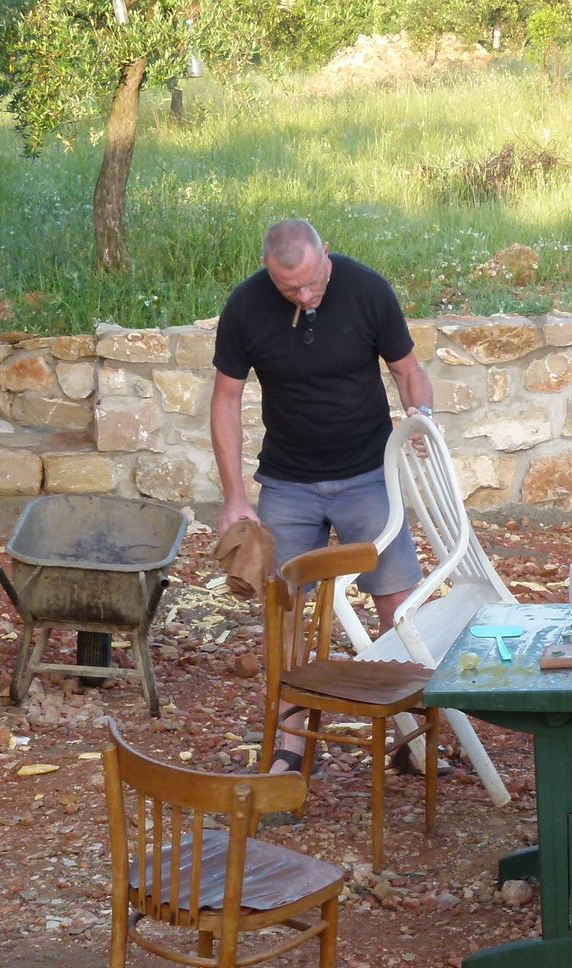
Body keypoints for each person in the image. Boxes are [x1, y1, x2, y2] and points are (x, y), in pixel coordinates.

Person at [211, 220, 434, 774]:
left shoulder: (367, 290)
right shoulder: (245, 307)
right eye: (291, 289)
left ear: (326, 255)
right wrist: (234, 496)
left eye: (313, 283)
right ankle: (290, 747)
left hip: (367, 472)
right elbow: (225, 399)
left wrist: (421, 419)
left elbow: (408, 370)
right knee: (283, 613)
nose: (306, 296)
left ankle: (412, 739)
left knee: (397, 603)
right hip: (287, 482)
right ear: (270, 272)